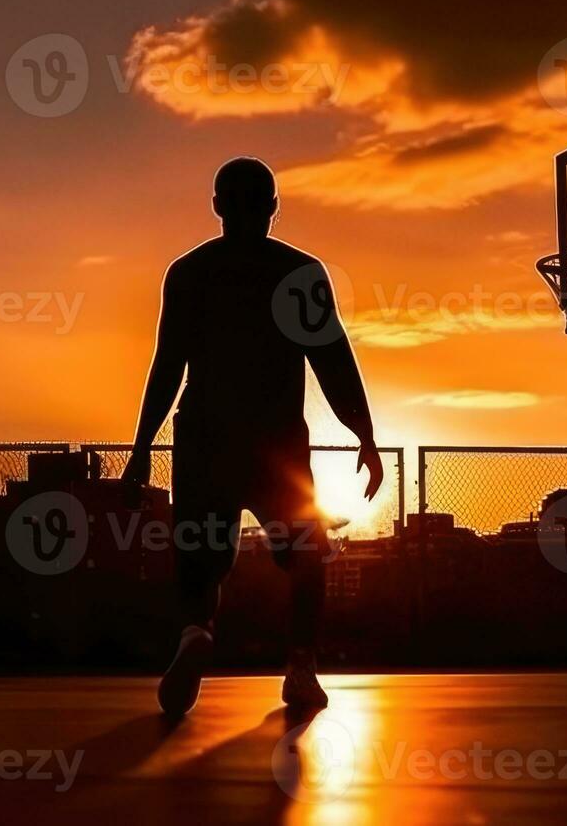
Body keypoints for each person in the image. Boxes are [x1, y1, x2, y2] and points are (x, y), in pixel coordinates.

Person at [125, 156, 381, 717]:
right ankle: (301, 666)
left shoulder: (189, 272)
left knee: (199, 557)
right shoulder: (299, 273)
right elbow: (332, 360)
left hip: (204, 438)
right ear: (274, 208)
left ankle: (195, 631)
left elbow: (167, 364)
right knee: (307, 551)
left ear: (217, 206)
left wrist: (142, 448)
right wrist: (364, 435)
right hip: (275, 444)